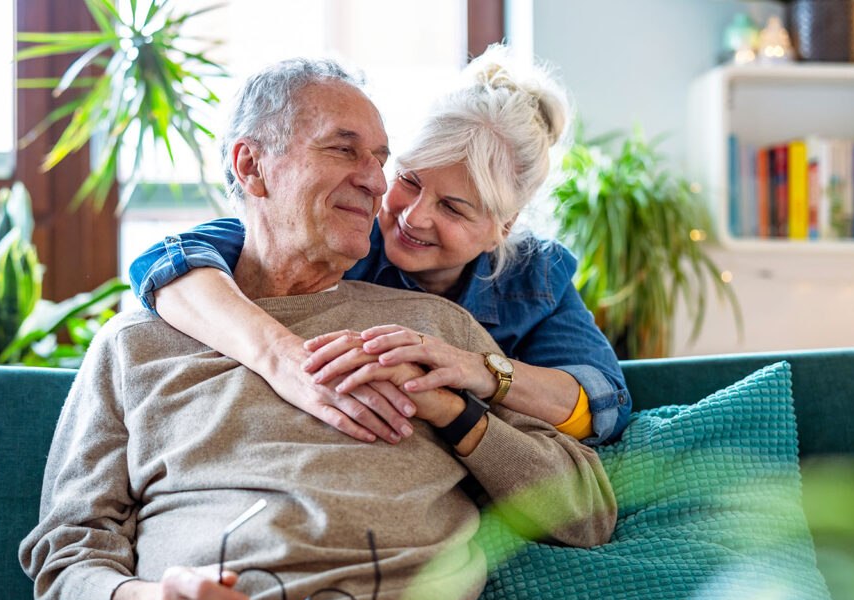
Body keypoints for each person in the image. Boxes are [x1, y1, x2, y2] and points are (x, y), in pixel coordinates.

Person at [20, 58, 616, 600]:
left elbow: (588, 500)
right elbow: (66, 552)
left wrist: (460, 410)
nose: (382, 187)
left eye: (381, 160)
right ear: (251, 168)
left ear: (499, 229)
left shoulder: (440, 332)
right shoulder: (141, 340)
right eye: (344, 149)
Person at [128, 45, 631, 450]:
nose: (414, 216)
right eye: (409, 181)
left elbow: (603, 403)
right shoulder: (345, 234)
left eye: (453, 208)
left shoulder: (534, 276)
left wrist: (478, 369)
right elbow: (168, 264)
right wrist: (282, 358)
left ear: (503, 226)